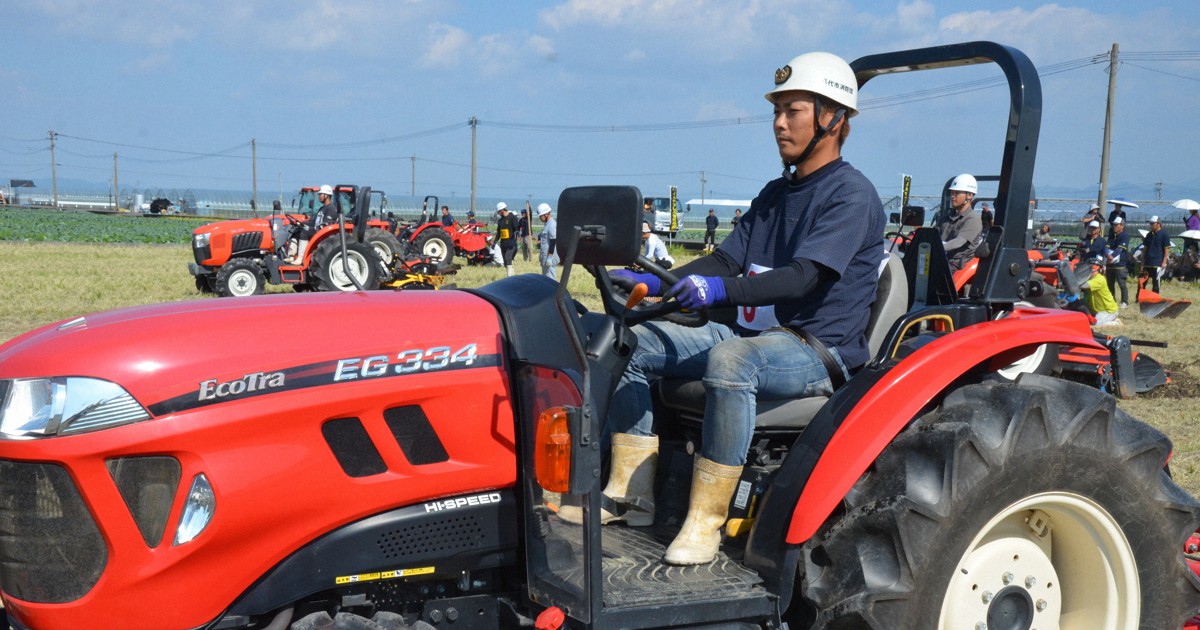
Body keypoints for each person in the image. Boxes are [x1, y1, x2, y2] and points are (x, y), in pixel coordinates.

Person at [564, 51, 884, 566]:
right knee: (629, 342)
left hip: (812, 345)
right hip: (747, 335)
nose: (779, 122)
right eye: (776, 110)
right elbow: (725, 258)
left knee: (732, 361)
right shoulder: (776, 193)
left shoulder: (852, 196)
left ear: (834, 118)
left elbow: (805, 277)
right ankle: (631, 493)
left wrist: (720, 294)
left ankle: (705, 522)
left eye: (793, 110)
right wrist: (655, 278)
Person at [938, 174, 982, 271]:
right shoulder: (946, 218)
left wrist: (936, 247)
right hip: (942, 260)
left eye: (957, 193)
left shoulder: (973, 219)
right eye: (952, 193)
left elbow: (958, 242)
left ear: (969, 195)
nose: (953, 196)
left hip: (956, 265)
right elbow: (934, 235)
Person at [289, 184, 338, 263]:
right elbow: (314, 221)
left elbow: (326, 225)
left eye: (320, 194)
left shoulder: (331, 209)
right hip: (316, 230)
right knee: (296, 230)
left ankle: (301, 259)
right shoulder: (322, 208)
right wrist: (302, 223)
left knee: (304, 232)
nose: (319, 196)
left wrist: (309, 228)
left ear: (326, 195)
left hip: (321, 233)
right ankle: (291, 256)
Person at [1080, 256, 1121, 326]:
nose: (1091, 269)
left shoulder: (1099, 279)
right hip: (1095, 310)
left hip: (1107, 311)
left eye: (1093, 267)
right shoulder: (1088, 279)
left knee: (1095, 324)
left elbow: (1082, 285)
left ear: (1099, 269)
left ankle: (1115, 323)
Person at [1140, 215, 1171, 296]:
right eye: (1150, 223)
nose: (1151, 225)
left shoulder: (1164, 234)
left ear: (1158, 224)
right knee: (1142, 282)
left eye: (1153, 223)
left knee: (1156, 283)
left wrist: (1164, 262)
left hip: (1157, 263)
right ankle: (1139, 298)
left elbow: (1166, 249)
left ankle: (1155, 299)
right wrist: (1142, 262)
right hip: (1147, 262)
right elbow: (1145, 249)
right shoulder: (1149, 235)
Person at [1106, 217, 1130, 308]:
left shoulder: (1125, 236)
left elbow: (1120, 249)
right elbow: (1106, 246)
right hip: (1110, 264)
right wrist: (1107, 255)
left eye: (1116, 225)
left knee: (1121, 283)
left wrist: (1112, 256)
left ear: (1122, 226)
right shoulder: (1112, 235)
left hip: (1120, 264)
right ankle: (1112, 300)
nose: (1114, 226)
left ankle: (1124, 301)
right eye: (1113, 225)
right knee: (1110, 284)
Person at [495, 202, 518, 277]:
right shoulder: (500, 221)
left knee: (508, 258)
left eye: (498, 211)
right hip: (503, 244)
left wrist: (515, 238)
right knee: (506, 262)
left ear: (502, 210)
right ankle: (512, 274)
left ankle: (509, 277)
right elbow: (499, 232)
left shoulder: (512, 218)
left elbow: (516, 229)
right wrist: (495, 242)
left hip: (511, 243)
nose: (498, 213)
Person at [537, 203, 558, 280]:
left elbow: (553, 241)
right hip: (545, 256)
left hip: (549, 257)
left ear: (546, 214)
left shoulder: (552, 225)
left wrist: (550, 257)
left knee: (550, 279)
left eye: (540, 216)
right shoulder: (547, 224)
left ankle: (553, 292)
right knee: (546, 279)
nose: (540, 218)